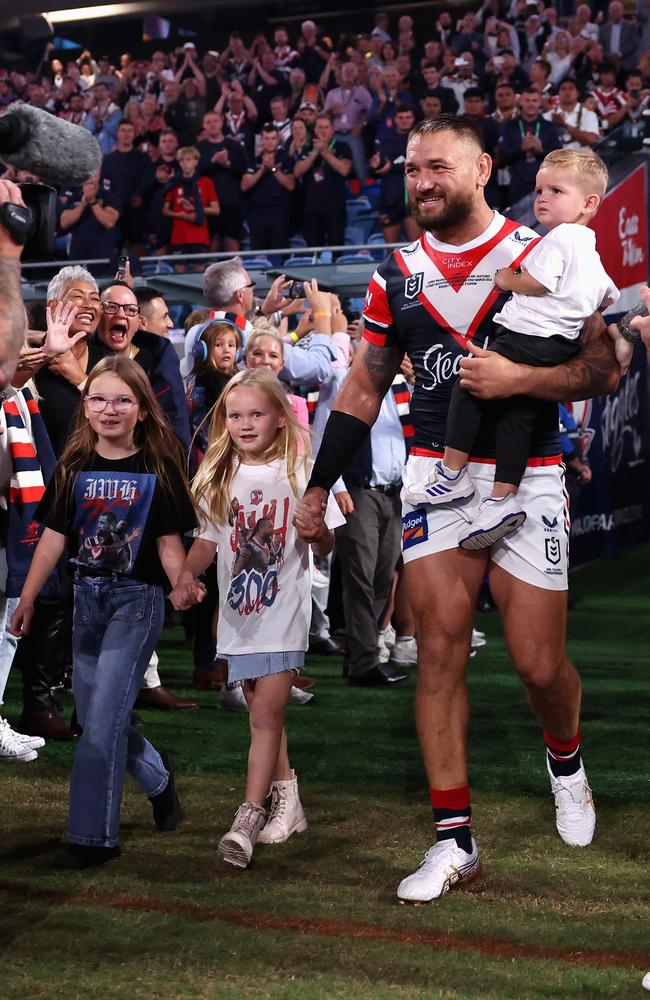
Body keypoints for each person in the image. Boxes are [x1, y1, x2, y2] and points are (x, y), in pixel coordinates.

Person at [298, 115, 620, 903]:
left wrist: (522, 383)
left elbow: (603, 369)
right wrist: (316, 484)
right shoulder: (395, 272)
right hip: (434, 480)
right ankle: (454, 841)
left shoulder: (540, 250)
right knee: (438, 651)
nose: (422, 182)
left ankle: (566, 761)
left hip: (531, 473)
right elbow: (365, 385)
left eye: (437, 167)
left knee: (540, 666)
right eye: (412, 170)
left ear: (481, 172)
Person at [10, 356, 197, 869]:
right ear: (85, 408)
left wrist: (182, 581)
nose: (109, 409)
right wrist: (27, 598)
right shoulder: (72, 466)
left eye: (122, 399)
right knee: (98, 718)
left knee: (99, 725)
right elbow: (52, 536)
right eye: (98, 399)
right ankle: (159, 780)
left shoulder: (159, 465)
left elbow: (167, 541)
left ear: (141, 408)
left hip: (136, 603)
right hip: (85, 601)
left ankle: (93, 839)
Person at [170, 369, 343, 868]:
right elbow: (208, 540)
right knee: (258, 710)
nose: (245, 424)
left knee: (265, 715)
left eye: (256, 414)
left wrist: (316, 534)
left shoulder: (302, 469)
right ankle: (289, 802)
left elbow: (328, 541)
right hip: (238, 617)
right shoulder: (219, 475)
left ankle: (248, 817)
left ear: (280, 419)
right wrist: (185, 576)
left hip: (284, 611)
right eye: (235, 415)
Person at [404, 148, 618, 550]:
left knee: (469, 381)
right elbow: (605, 295)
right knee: (517, 414)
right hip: (556, 343)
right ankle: (503, 498)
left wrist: (507, 279)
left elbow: (537, 280)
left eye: (556, 191)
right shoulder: (588, 248)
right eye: (539, 189)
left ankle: (451, 474)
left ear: (589, 203)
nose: (542, 198)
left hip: (526, 336)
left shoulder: (561, 237)